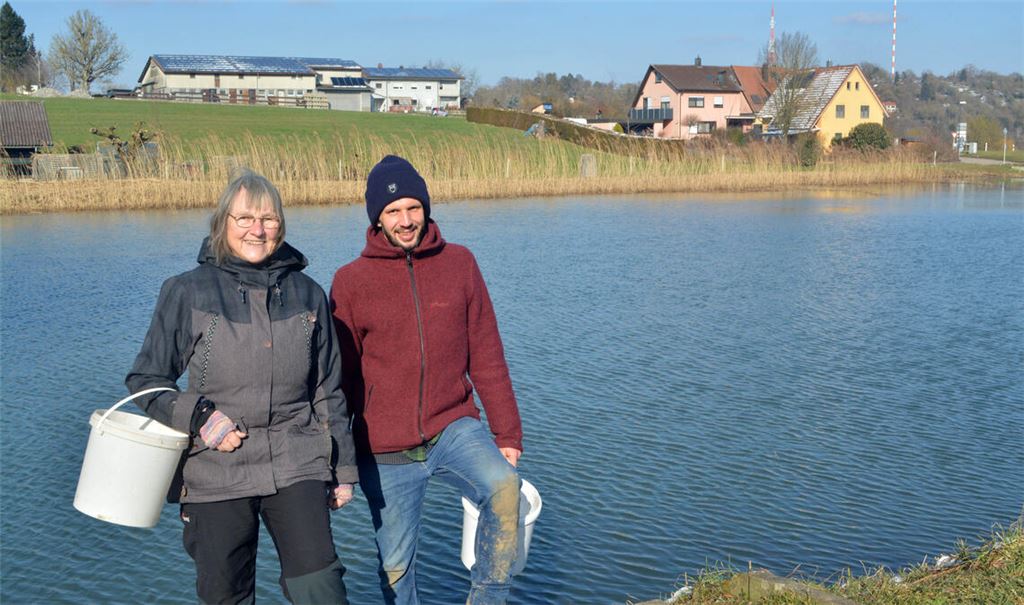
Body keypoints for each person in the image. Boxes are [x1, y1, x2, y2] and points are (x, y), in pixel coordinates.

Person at [125, 169, 356, 605]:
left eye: (268, 219)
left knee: (321, 589)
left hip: (297, 459)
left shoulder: (308, 294)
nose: (257, 229)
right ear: (222, 223)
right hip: (215, 469)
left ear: (281, 225)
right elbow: (145, 383)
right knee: (224, 594)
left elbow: (327, 388)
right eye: (245, 218)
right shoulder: (185, 291)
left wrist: (342, 471)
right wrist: (202, 418)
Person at [330, 155, 524, 605]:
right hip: (384, 448)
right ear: (377, 219)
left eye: (413, 208)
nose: (405, 220)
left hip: (453, 426)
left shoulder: (460, 264)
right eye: (393, 211)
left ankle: (488, 599)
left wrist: (507, 432)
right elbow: (336, 383)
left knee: (504, 487)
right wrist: (337, 461)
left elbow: (488, 354)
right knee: (396, 573)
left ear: (427, 209)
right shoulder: (350, 282)